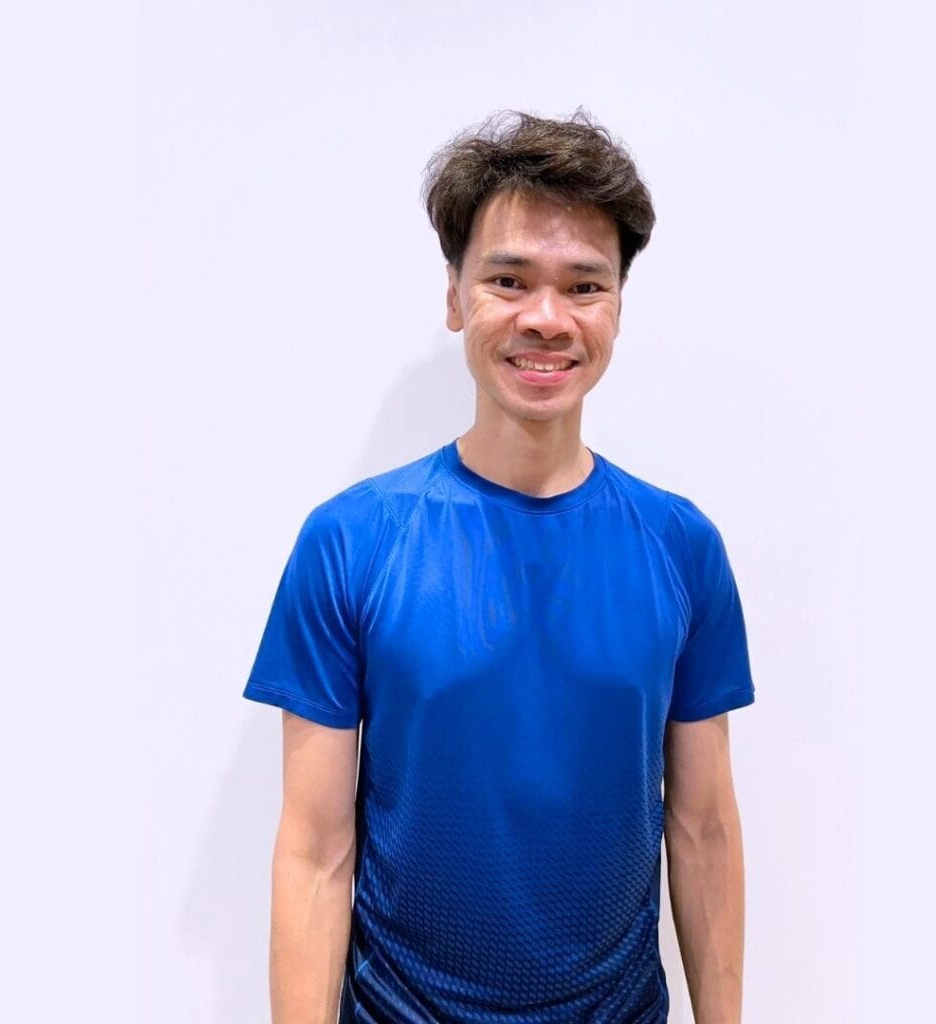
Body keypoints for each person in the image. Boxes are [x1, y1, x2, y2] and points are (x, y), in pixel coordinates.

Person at [242, 109, 756, 1024]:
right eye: (508, 280)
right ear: (455, 297)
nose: (546, 319)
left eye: (584, 285)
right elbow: (315, 851)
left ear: (618, 307)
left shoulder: (682, 546)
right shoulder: (352, 542)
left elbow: (704, 827)